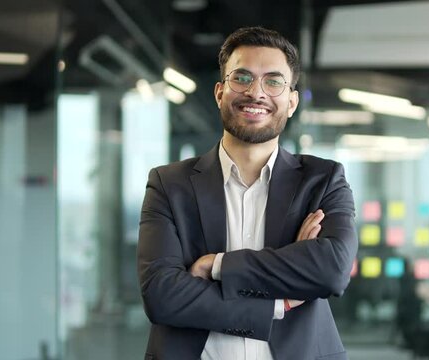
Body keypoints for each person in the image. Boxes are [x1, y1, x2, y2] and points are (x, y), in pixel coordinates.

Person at [137, 26, 358, 360]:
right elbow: (162, 296)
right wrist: (278, 303)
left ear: (292, 101)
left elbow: (331, 271)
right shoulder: (169, 185)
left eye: (273, 81)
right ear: (219, 92)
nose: (256, 93)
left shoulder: (323, 180)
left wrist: (218, 265)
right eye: (242, 78)